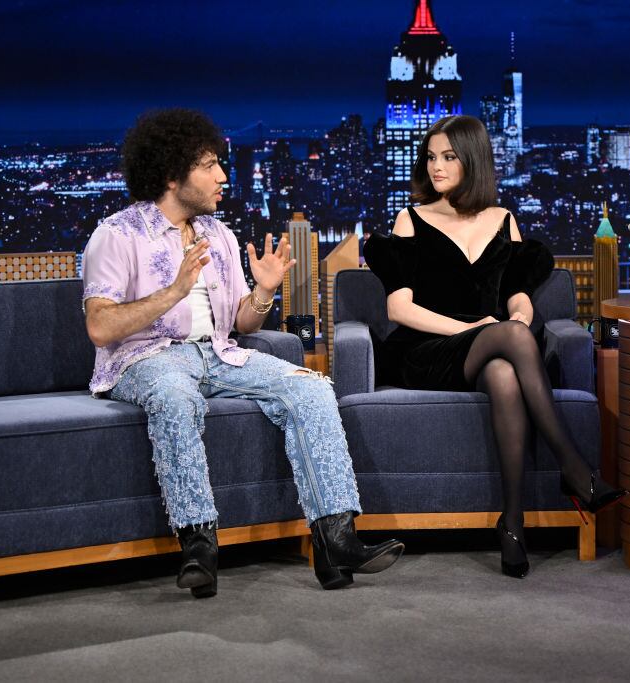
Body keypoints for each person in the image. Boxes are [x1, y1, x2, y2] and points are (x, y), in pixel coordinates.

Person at [81, 109, 403, 597]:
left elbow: (242, 323)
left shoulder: (219, 235)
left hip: (218, 354)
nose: (223, 177)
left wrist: (264, 291)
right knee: (175, 398)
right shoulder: (117, 234)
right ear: (171, 175)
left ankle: (335, 541)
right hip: (145, 359)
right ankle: (199, 546)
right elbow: (100, 327)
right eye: (209, 165)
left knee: (312, 389)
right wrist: (173, 292)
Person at [363, 115, 625, 579]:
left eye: (449, 157)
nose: (436, 166)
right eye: (431, 157)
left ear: (473, 160)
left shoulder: (503, 219)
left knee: (505, 372)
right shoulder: (412, 218)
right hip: (427, 349)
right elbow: (398, 309)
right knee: (508, 338)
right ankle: (574, 469)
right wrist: (476, 330)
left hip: (489, 347)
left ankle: (513, 523)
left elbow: (517, 293)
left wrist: (519, 316)